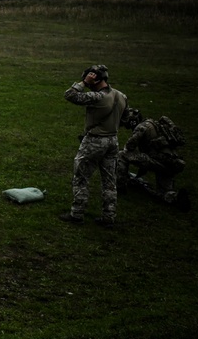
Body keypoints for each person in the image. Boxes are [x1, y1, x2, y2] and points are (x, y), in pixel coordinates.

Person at [60, 64, 128, 227]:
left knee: (81, 177)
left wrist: (83, 82)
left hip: (95, 140)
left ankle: (77, 213)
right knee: (109, 181)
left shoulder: (96, 97)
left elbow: (70, 95)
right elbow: (125, 119)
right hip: (113, 141)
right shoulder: (121, 96)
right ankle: (109, 217)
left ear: (95, 78)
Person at [117, 108, 187, 209]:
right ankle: (175, 197)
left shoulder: (142, 127)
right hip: (172, 163)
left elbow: (129, 146)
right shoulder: (157, 125)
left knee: (122, 154)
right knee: (163, 192)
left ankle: (120, 185)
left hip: (157, 161)